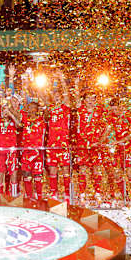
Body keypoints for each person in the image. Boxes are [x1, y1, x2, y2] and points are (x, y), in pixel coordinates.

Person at [74, 91, 110, 204]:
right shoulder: (80, 110)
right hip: (82, 145)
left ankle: (97, 193)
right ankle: (82, 194)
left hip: (95, 145)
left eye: (93, 98)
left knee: (96, 169)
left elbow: (107, 129)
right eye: (88, 98)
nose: (91, 100)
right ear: (84, 100)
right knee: (83, 169)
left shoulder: (100, 112)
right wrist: (76, 84)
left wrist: (99, 142)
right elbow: (75, 99)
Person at [45, 70, 72, 203]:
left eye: (59, 95)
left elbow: (67, 95)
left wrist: (61, 79)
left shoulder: (65, 107)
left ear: (62, 97)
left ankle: (67, 194)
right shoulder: (49, 109)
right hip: (52, 144)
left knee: (66, 169)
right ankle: (53, 193)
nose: (56, 97)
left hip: (64, 144)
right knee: (52, 169)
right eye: (54, 95)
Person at [108, 98, 131, 201]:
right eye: (112, 110)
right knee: (117, 173)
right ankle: (124, 196)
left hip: (130, 147)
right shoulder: (112, 117)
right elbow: (108, 130)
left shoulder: (130, 116)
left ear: (121, 106)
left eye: (116, 109)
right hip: (119, 148)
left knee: (129, 172)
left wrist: (118, 141)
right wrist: (101, 142)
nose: (114, 112)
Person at [0, 101, 21, 197]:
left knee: (13, 174)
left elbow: (19, 126)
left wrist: (12, 115)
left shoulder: (13, 121)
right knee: (0, 174)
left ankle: (13, 196)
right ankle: (0, 197)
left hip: (12, 151)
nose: (5, 112)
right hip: (1, 151)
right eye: (4, 110)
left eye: (7, 109)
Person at [20, 101, 46, 200]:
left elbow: (46, 113)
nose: (30, 109)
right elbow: (17, 114)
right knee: (26, 174)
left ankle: (39, 197)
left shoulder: (41, 120)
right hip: (26, 152)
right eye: (29, 107)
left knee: (38, 175)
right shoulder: (25, 119)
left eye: (32, 107)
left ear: (36, 109)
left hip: (37, 152)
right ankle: (29, 196)